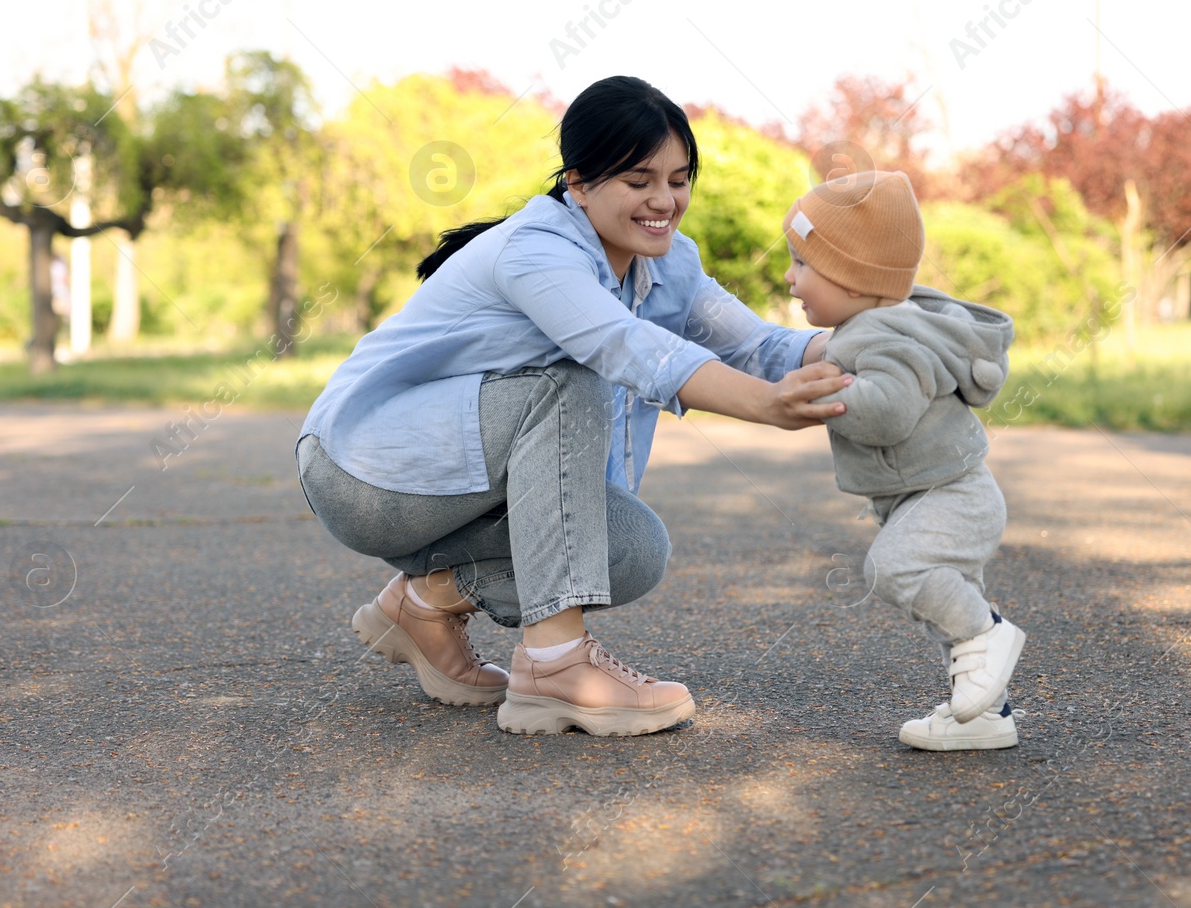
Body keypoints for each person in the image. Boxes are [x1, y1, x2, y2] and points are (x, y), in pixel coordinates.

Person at [297, 76, 851, 737]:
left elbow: (759, 344)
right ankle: (555, 667)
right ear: (580, 182)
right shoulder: (538, 249)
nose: (664, 200)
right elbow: (627, 348)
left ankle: (425, 602)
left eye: (678, 179)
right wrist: (768, 406)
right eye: (639, 179)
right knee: (569, 381)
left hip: (458, 481)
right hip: (362, 470)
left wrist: (880, 341)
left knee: (630, 546)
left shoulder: (670, 263)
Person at [780, 170, 1026, 751]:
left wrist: (827, 393)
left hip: (952, 496)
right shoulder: (879, 324)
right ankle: (986, 717)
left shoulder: (882, 335)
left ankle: (990, 636)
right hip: (932, 491)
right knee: (941, 608)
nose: (790, 280)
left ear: (852, 274)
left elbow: (888, 411)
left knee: (895, 569)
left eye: (802, 264)